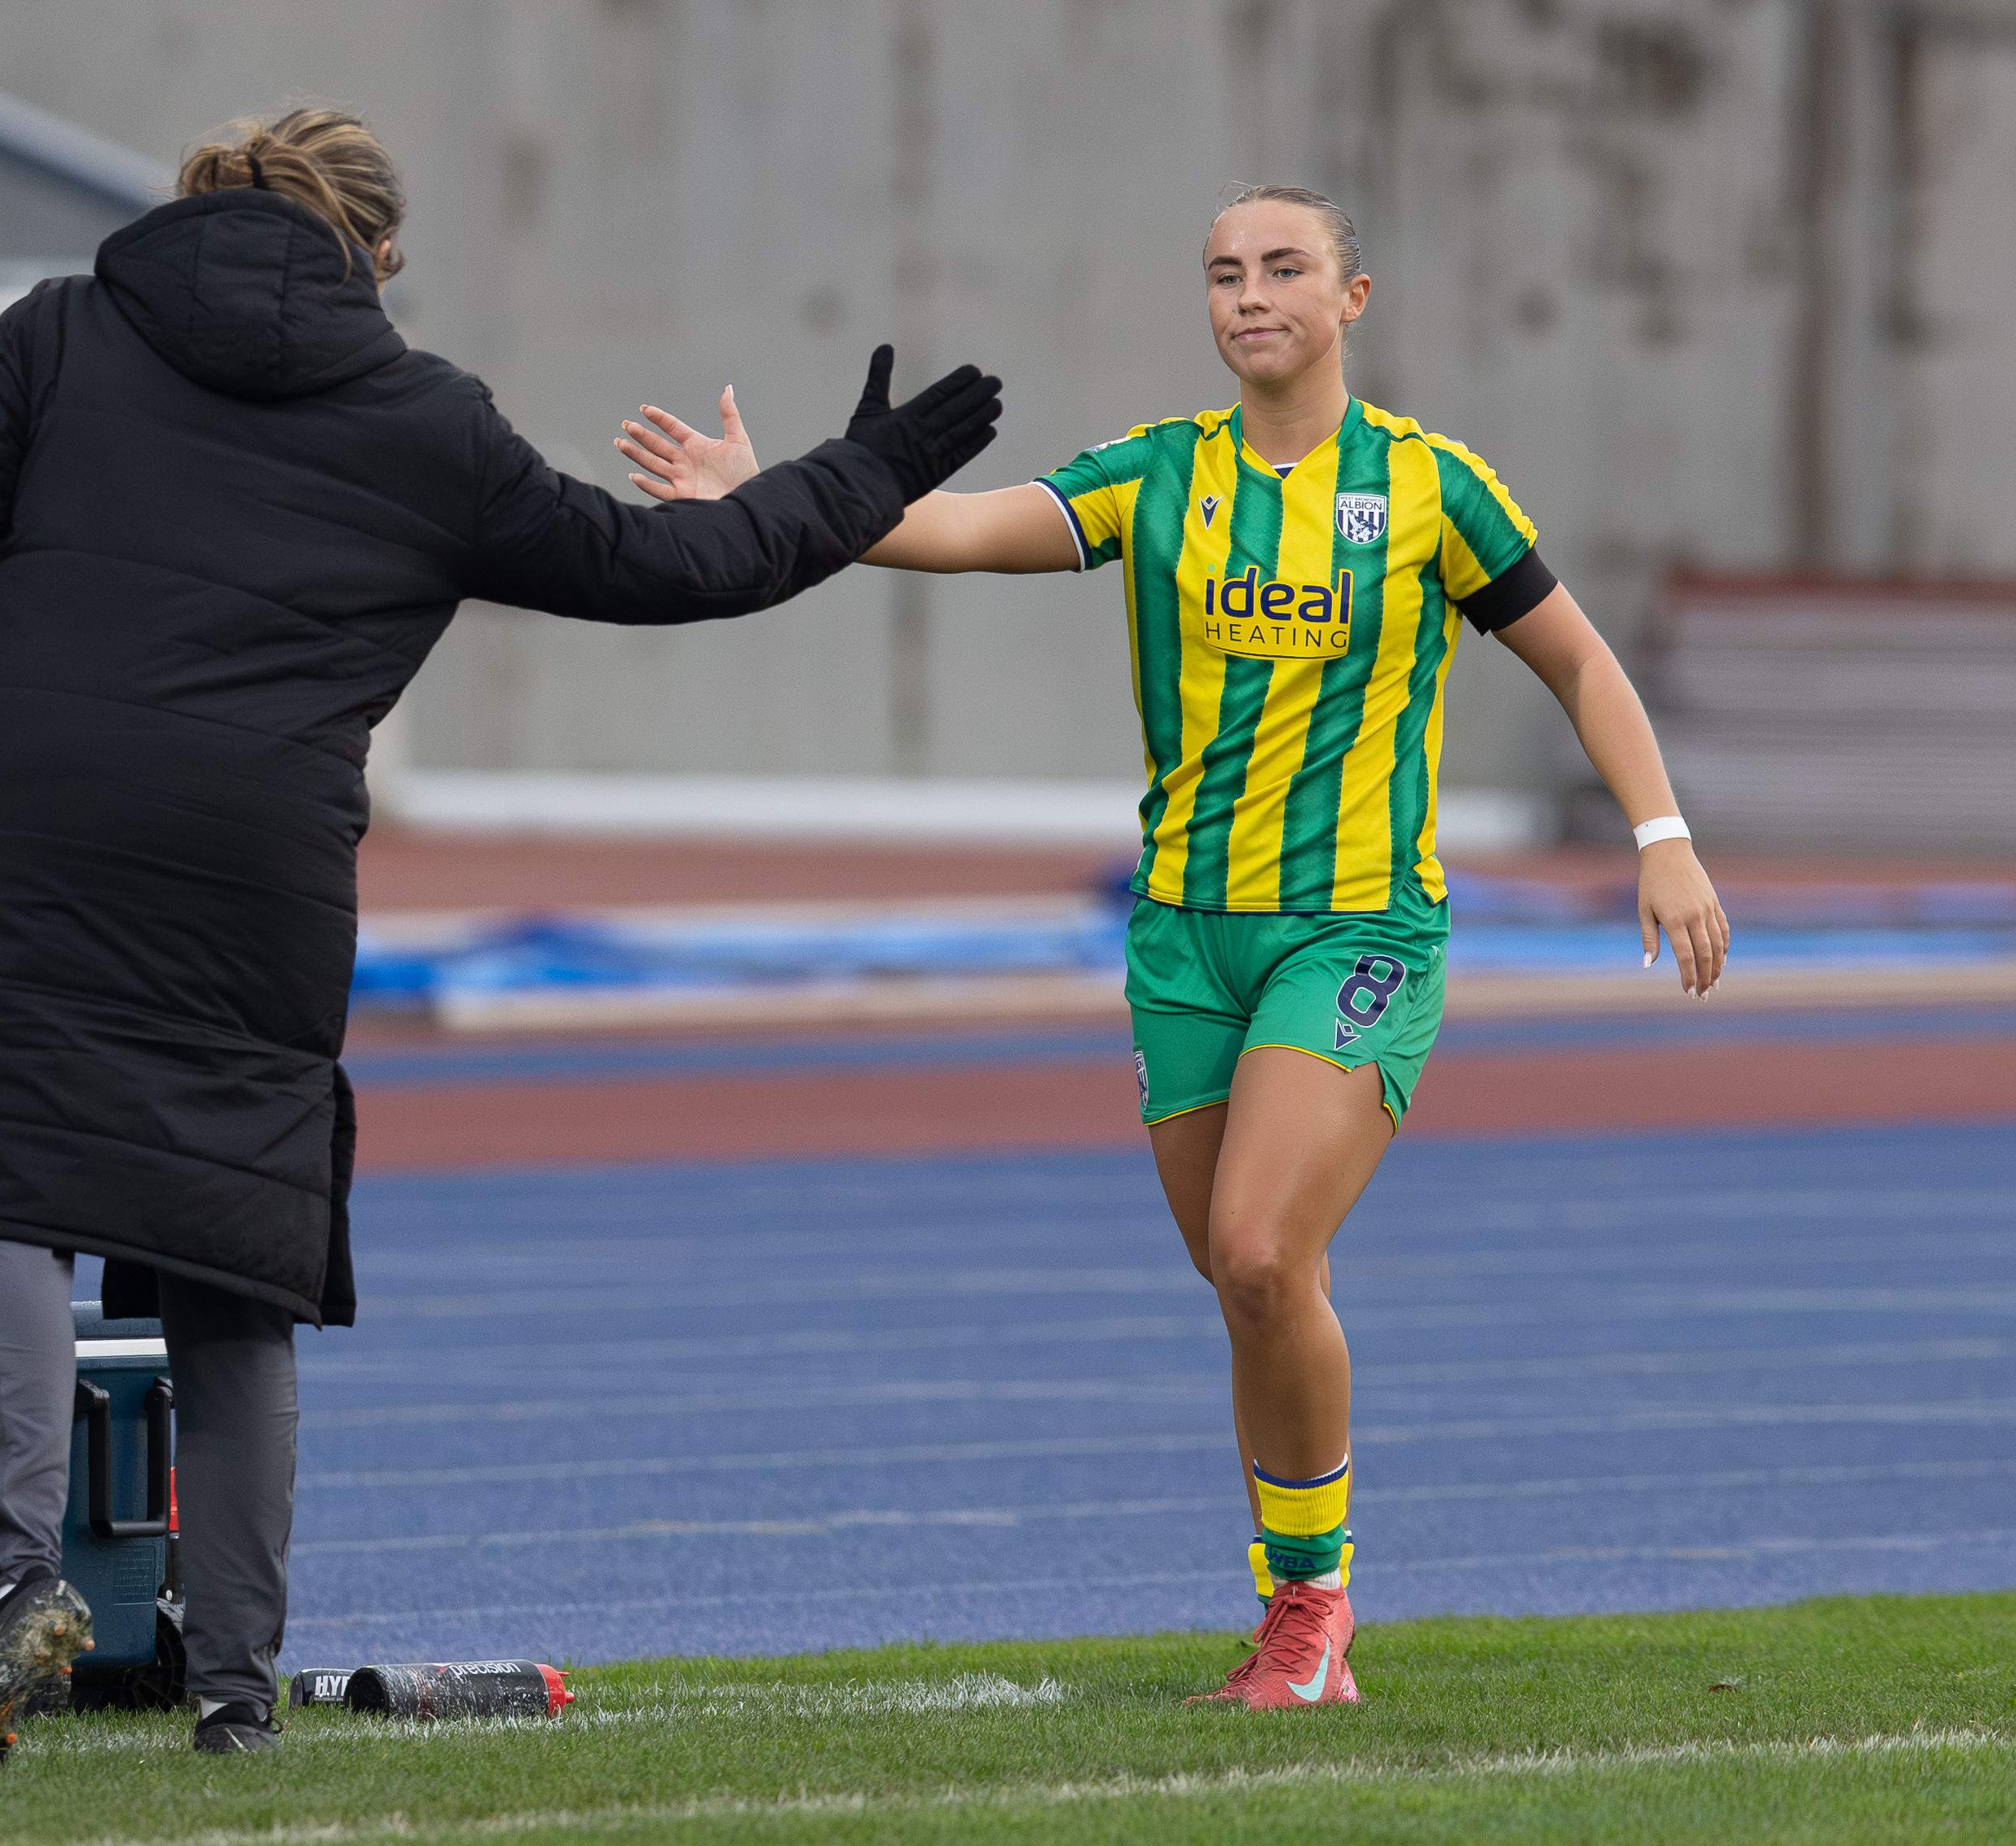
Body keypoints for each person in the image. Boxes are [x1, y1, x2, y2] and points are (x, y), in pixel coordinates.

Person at [0, 104, 1003, 1762]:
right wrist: (868, 469)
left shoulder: (58, 331)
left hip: (28, 814)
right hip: (259, 862)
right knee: (226, 1237)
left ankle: (16, 1586)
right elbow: (670, 562)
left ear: (194, 206)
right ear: (378, 254)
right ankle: (233, 1691)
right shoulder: (428, 421)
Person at [615, 182, 1729, 1710]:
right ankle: (1298, 1621)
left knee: (1264, 1246)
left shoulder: (1429, 486)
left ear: (1352, 297)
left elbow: (1579, 657)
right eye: (1222, 272)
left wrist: (1660, 840)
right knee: (1248, 1283)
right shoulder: (1159, 475)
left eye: (1283, 267)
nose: (1247, 293)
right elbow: (944, 529)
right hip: (1181, 944)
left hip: (1355, 930)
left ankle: (1315, 1611)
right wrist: (772, 498)